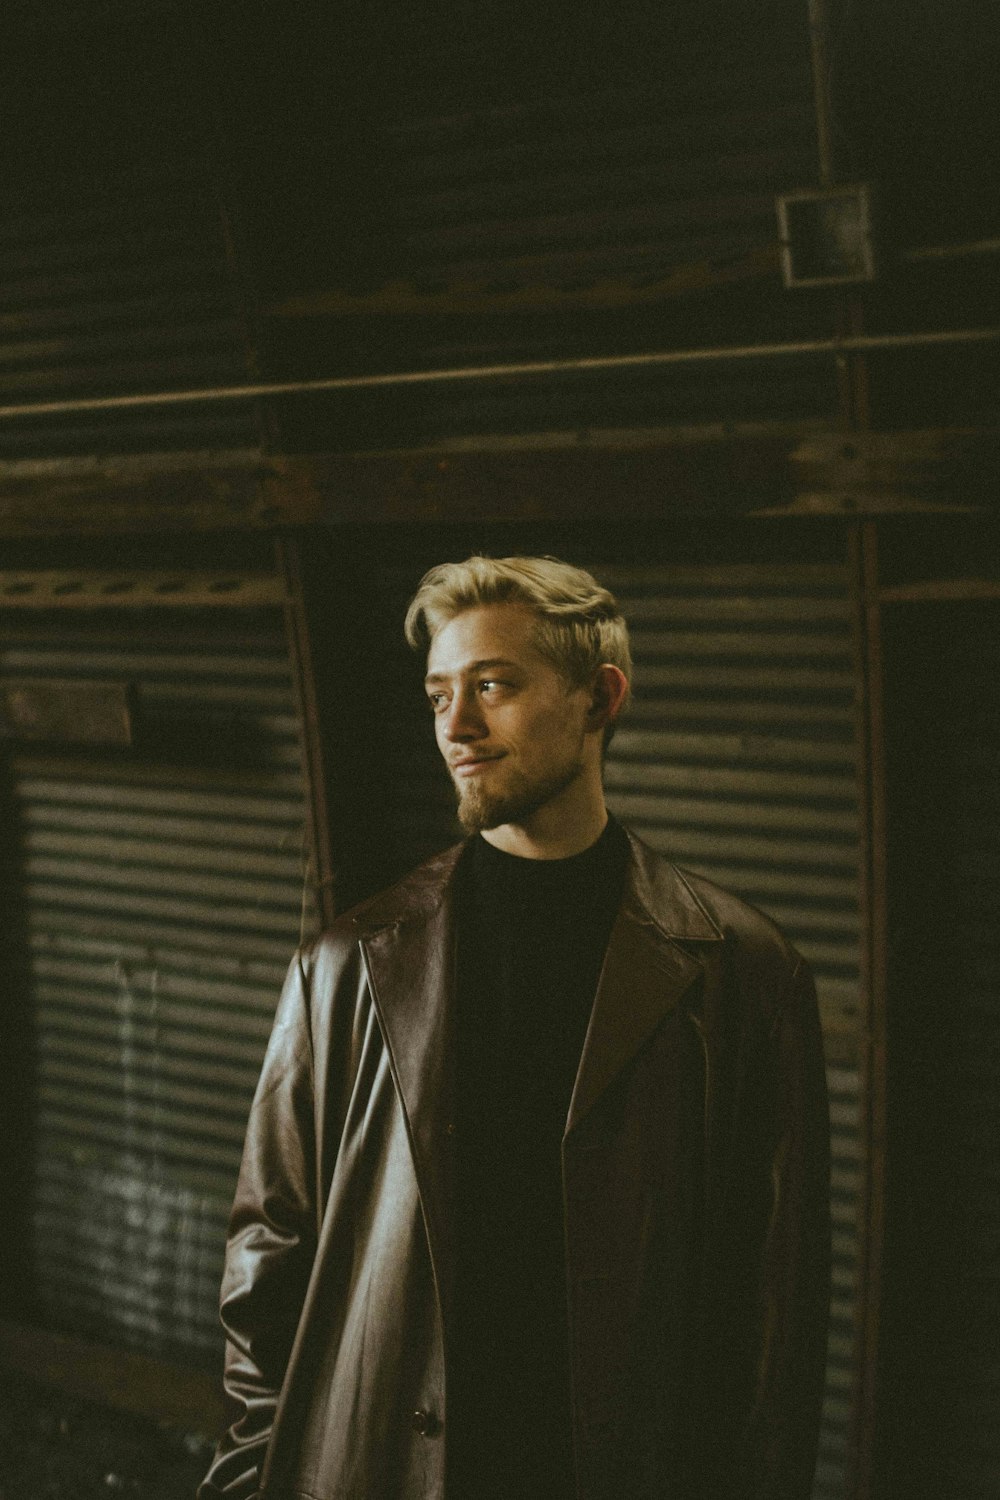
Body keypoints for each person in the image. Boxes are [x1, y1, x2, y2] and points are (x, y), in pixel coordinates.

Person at [199, 555, 831, 1500]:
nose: (455, 726)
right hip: (380, 1466)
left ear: (599, 698)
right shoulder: (349, 964)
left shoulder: (741, 972)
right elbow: (269, 1251)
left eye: (492, 686)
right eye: (439, 694)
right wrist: (250, 1475)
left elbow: (774, 1309)